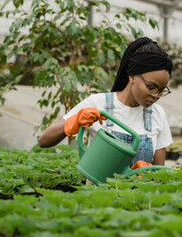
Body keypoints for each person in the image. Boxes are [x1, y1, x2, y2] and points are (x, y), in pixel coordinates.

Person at [39, 36, 173, 168]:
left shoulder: (157, 114)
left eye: (162, 90)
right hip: (99, 190)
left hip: (138, 190)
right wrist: (75, 120)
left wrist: (145, 173)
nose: (156, 95)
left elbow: (158, 172)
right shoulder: (98, 103)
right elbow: (44, 141)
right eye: (151, 87)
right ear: (132, 75)